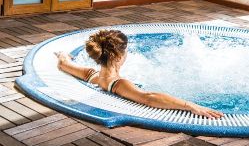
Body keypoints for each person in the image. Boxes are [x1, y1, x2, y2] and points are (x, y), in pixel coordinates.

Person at [55, 29, 223, 119]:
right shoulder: (118, 84)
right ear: (119, 56)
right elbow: (148, 97)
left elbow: (64, 64)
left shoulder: (93, 76)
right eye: (126, 50)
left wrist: (63, 54)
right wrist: (190, 105)